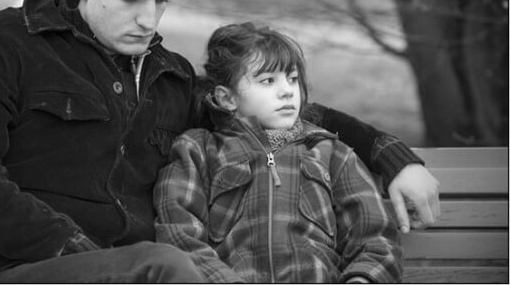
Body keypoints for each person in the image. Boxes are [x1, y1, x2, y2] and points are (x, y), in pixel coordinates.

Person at [0, 0, 437, 283]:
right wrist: (73, 250)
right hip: (15, 272)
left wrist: (390, 155)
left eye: (161, 0)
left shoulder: (166, 75)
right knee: (162, 268)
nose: (148, 19)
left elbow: (269, 108)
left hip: (146, 274)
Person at [154, 22, 402, 283]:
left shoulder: (331, 153)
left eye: (292, 79)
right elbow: (179, 234)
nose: (287, 91)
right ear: (228, 99)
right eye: (268, 81)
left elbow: (376, 238)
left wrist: (362, 280)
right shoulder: (197, 151)